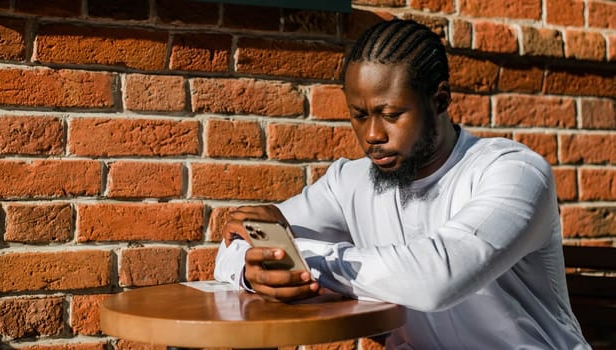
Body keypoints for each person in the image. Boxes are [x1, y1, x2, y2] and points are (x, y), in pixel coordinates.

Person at [213, 18, 589, 349]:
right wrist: (252, 269)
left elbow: (437, 278)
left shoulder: (513, 172)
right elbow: (232, 247)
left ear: (439, 100)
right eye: (359, 116)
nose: (372, 134)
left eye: (391, 114)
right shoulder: (350, 181)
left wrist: (302, 258)